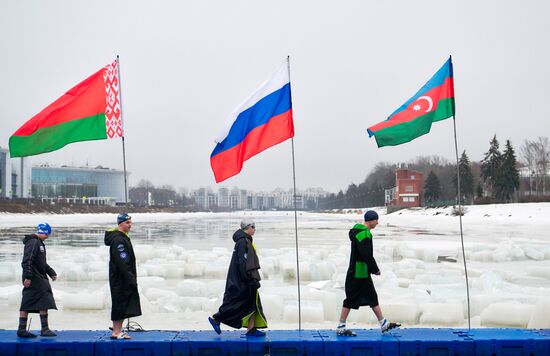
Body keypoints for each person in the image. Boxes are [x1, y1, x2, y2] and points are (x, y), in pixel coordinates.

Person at [336, 210, 400, 336]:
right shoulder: (364, 234)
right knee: (352, 299)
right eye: (376, 220)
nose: (377, 222)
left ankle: (383, 323)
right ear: (371, 220)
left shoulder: (358, 231)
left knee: (371, 297)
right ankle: (341, 326)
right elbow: (366, 254)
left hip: (359, 271)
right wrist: (375, 269)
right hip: (359, 273)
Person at [208, 219, 267, 337]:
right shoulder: (243, 242)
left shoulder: (246, 240)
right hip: (242, 280)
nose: (255, 229)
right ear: (247, 228)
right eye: (253, 227)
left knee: (253, 303)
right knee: (237, 303)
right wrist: (249, 279)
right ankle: (216, 318)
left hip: (245, 279)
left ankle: (251, 329)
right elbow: (243, 263)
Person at [104, 213, 141, 339]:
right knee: (120, 303)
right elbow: (123, 261)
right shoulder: (119, 239)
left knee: (123, 303)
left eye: (131, 223)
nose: (130, 225)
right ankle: (116, 332)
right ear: (120, 224)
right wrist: (130, 278)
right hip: (120, 278)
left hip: (121, 277)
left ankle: (117, 330)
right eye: (127, 223)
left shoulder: (122, 237)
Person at [17, 223, 57, 338]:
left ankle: (28, 329)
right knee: (36, 299)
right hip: (34, 277)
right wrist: (28, 276)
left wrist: (51, 272)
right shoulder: (34, 242)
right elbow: (27, 260)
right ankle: (40, 329)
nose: (47, 237)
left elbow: (41, 262)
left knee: (37, 300)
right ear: (44, 232)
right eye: (47, 234)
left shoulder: (39, 243)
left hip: (38, 276)